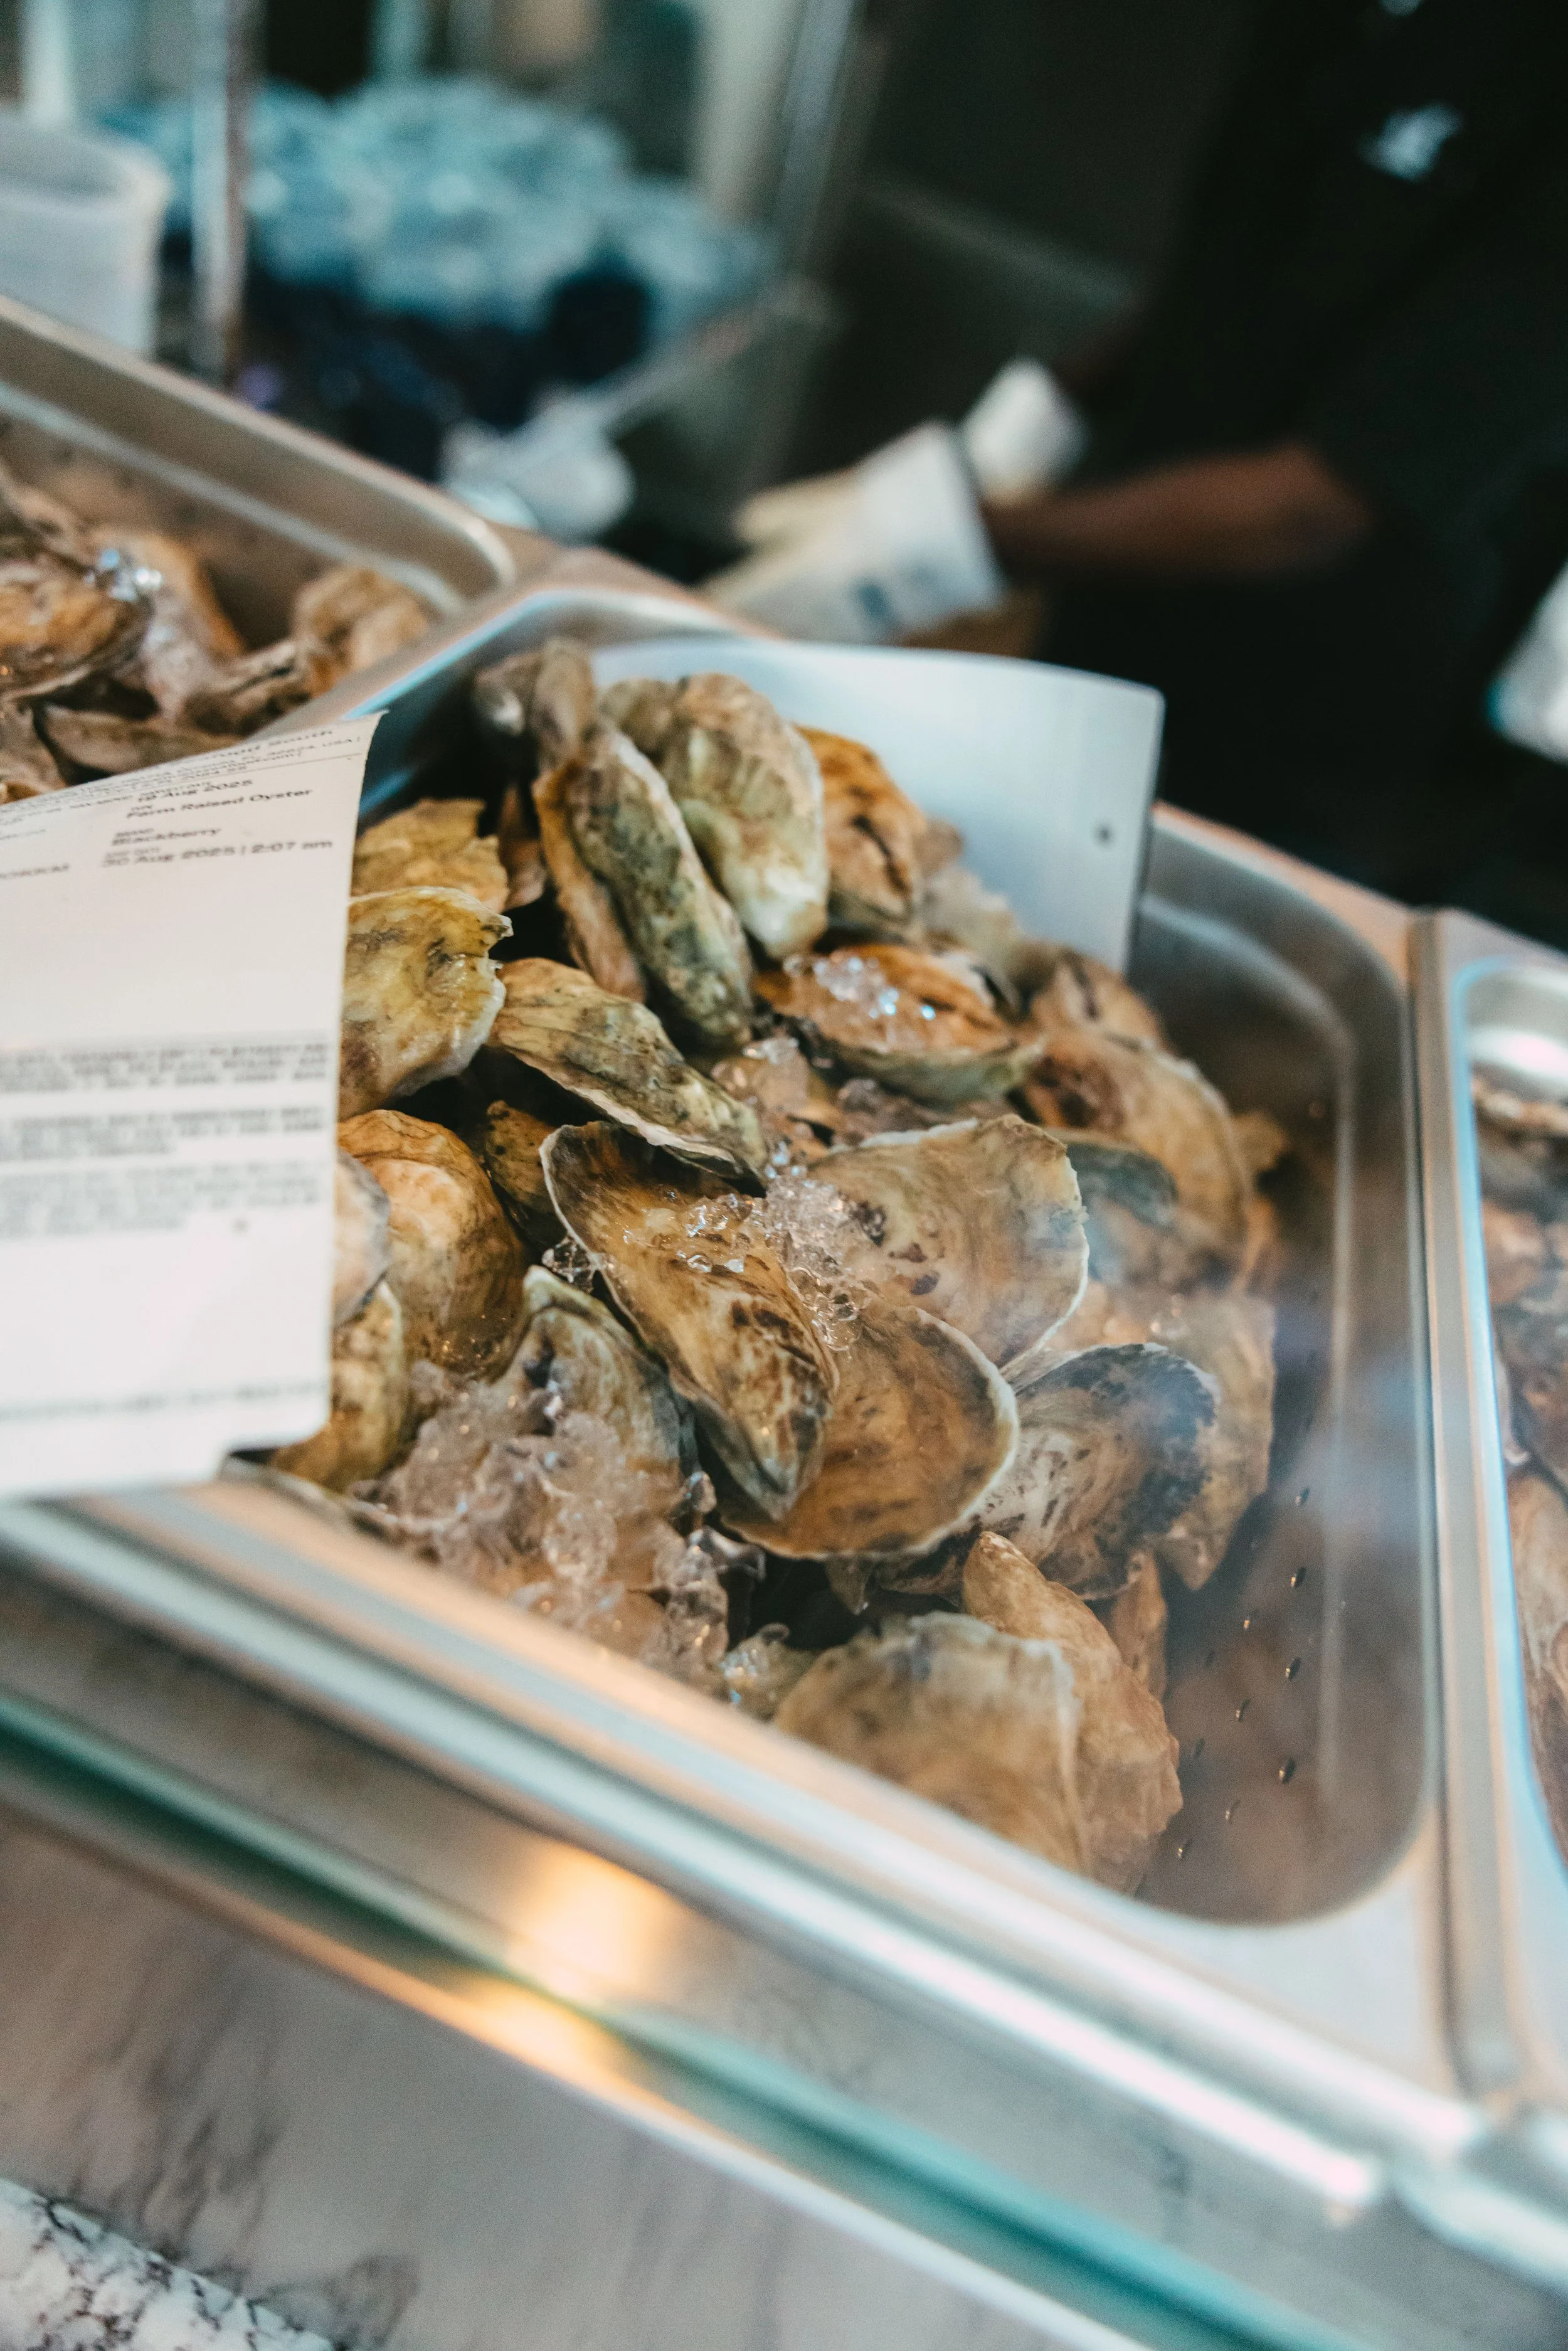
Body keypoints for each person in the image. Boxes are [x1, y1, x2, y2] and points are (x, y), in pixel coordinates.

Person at [983, 0, 1568, 894]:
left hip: (1311, 735)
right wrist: (1056, 398)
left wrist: (970, 537)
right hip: (1105, 634)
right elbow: (1225, 266)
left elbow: (1321, 505)